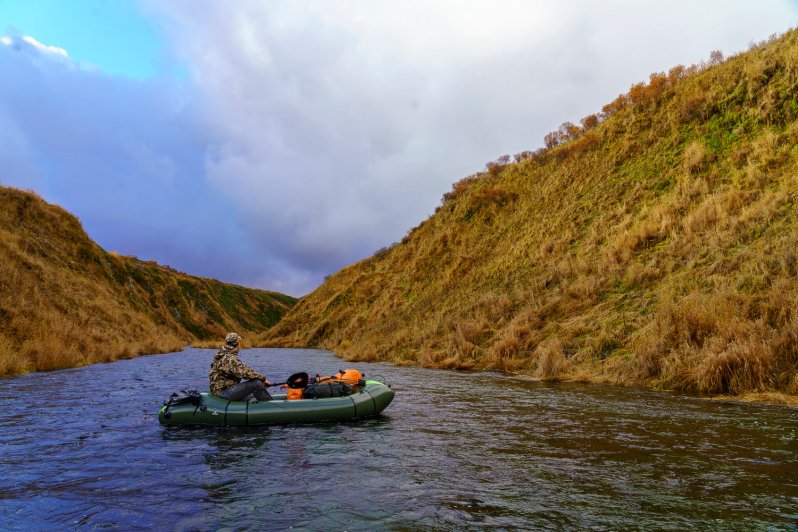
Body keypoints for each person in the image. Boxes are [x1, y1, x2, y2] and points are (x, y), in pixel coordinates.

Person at [209, 332, 272, 402]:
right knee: (256, 383)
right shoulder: (229, 358)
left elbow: (243, 368)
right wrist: (263, 380)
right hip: (223, 392)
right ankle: (270, 405)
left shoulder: (223, 354)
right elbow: (245, 372)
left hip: (220, 390)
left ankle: (264, 403)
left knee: (253, 396)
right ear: (237, 344)